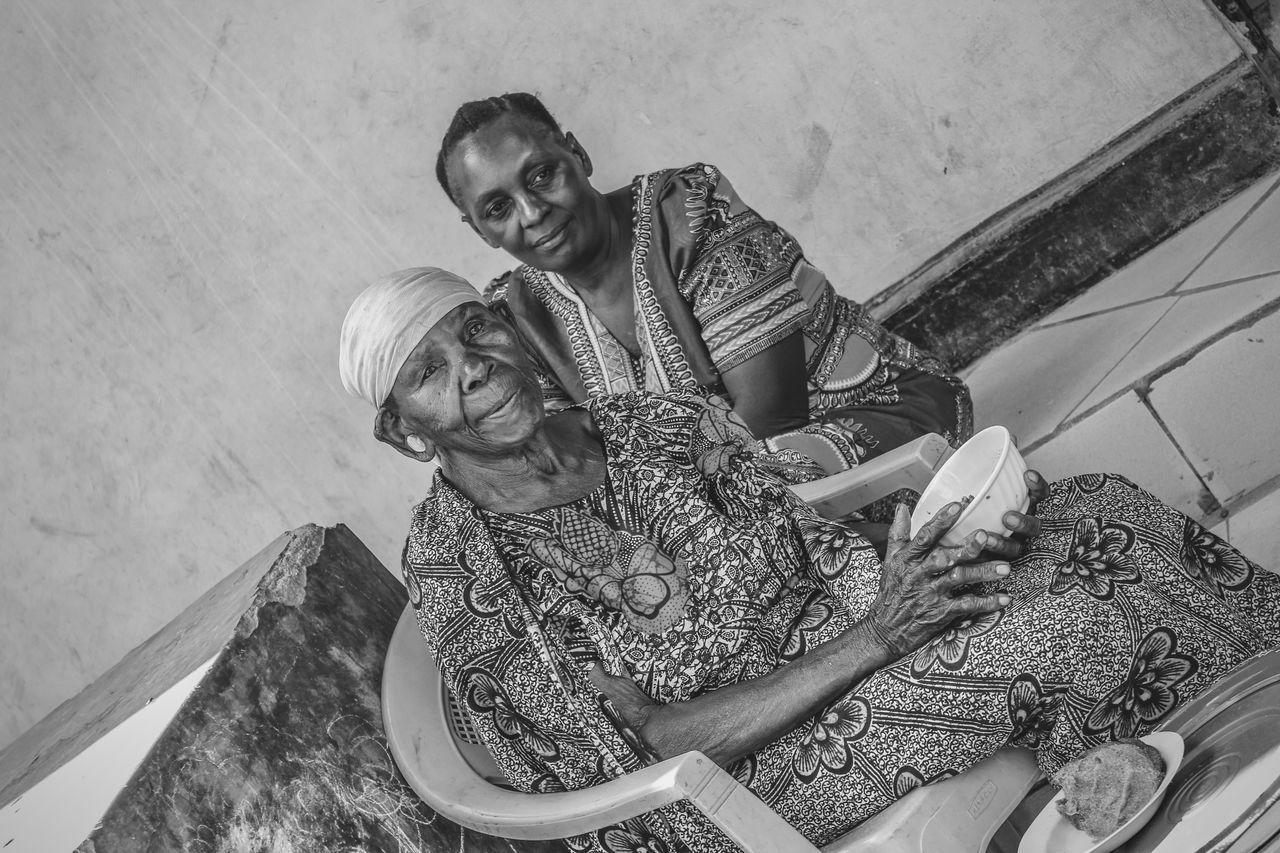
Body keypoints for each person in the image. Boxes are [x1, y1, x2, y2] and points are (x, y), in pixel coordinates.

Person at [340, 267, 1280, 853]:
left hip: (850, 631)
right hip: (746, 769)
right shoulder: (474, 581)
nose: (476, 368)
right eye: (428, 374)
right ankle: (1215, 810)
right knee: (1070, 626)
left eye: (477, 330)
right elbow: (651, 749)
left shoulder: (649, 423)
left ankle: (1240, 734)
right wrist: (881, 633)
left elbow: (802, 541)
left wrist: (916, 550)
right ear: (403, 434)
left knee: (1091, 510)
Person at [434, 92, 973, 487]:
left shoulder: (690, 210)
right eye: (497, 209)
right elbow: (570, 458)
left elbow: (772, 415)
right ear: (479, 230)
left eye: (541, 176)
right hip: (715, 493)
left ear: (578, 155)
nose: (531, 214)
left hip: (873, 417)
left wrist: (666, 518)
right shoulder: (519, 316)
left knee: (764, 492)